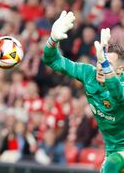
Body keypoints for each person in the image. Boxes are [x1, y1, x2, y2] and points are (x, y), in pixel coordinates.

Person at [43, 11, 124, 172]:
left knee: (111, 166)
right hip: (113, 149)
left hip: (119, 153)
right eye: (99, 61)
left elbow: (118, 95)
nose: (101, 66)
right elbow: (52, 61)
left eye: (107, 62)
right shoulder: (89, 74)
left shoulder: (120, 83)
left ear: (120, 69)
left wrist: (106, 65)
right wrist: (53, 40)